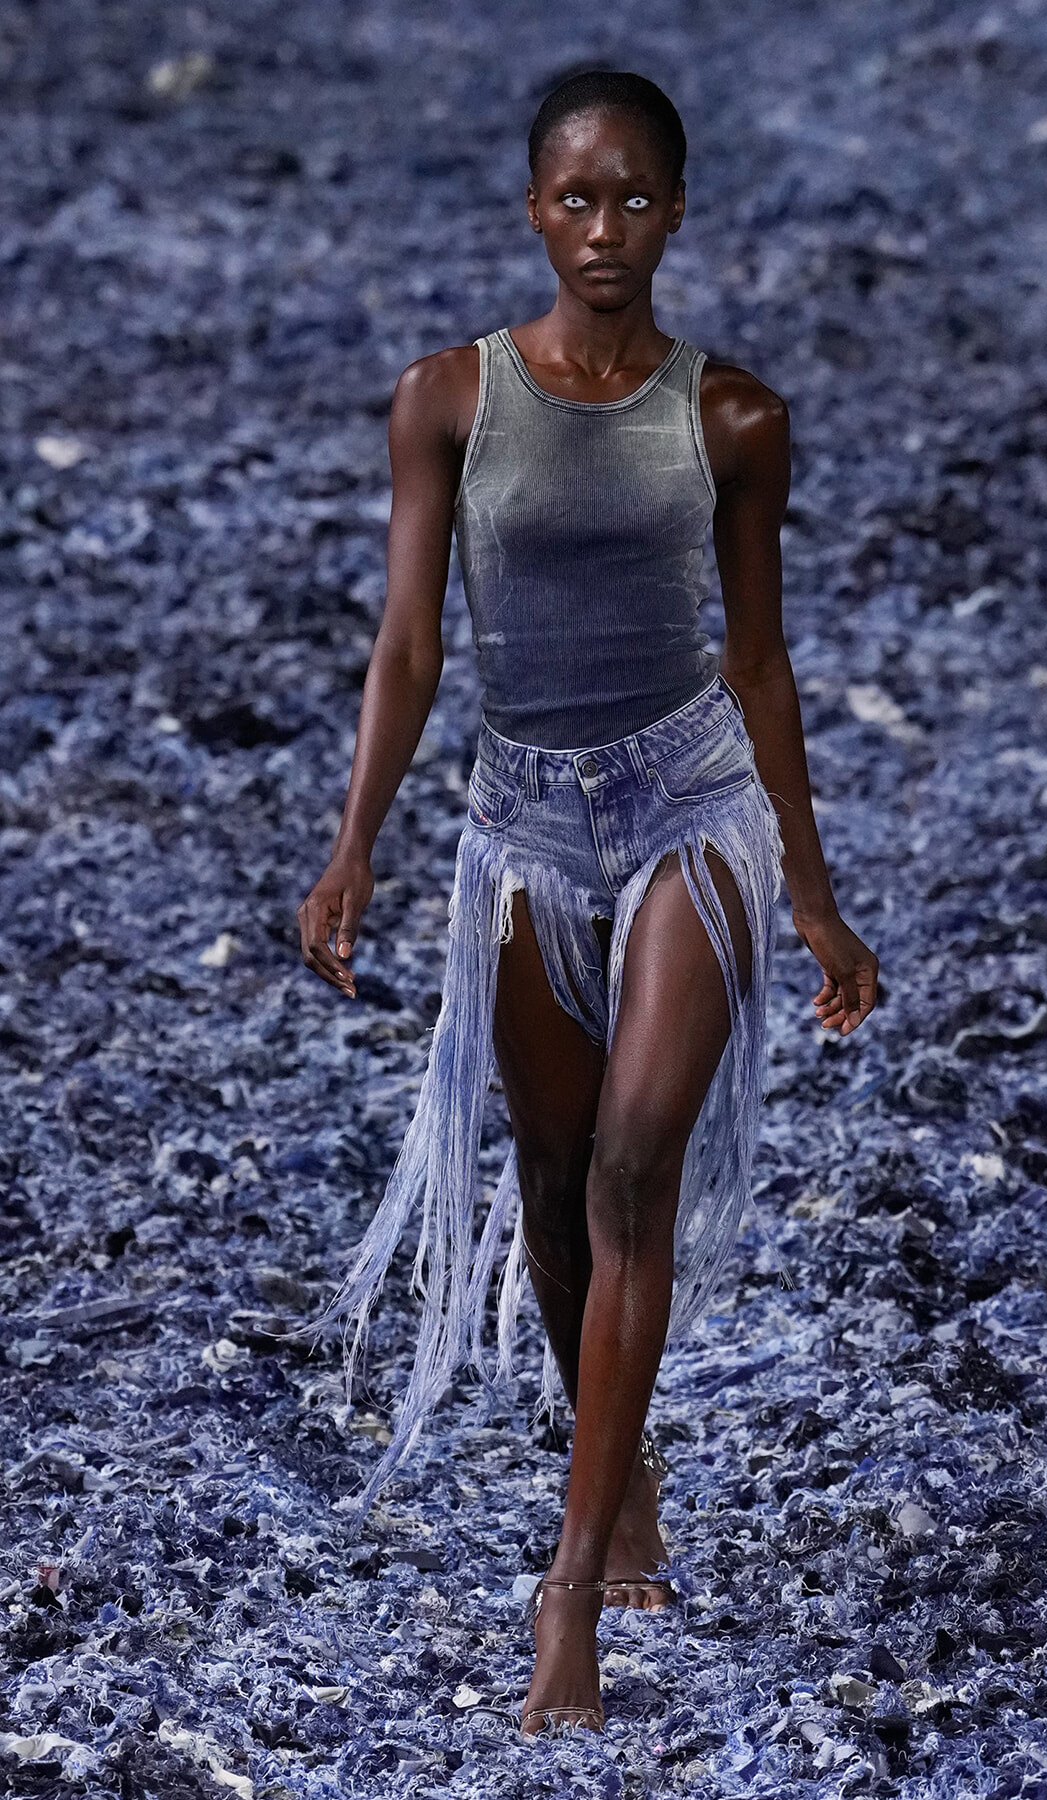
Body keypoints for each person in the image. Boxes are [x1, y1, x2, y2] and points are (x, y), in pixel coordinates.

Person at [296, 68, 878, 1738]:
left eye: (633, 198)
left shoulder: (735, 419)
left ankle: (569, 1591)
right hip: (521, 827)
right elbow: (410, 644)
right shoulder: (448, 401)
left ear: (677, 213)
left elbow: (760, 665)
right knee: (553, 1186)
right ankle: (617, 1470)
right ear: (532, 212)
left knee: (632, 1170)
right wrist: (354, 847)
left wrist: (815, 899)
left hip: (690, 805)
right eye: (575, 198)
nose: (604, 227)